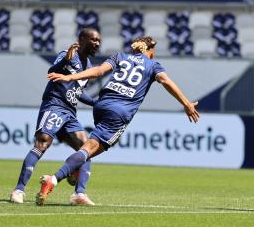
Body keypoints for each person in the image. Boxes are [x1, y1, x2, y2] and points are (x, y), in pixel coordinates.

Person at [35, 36, 200, 206]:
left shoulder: (120, 56)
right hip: (120, 112)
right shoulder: (153, 65)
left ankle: (78, 188)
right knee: (88, 150)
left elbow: (98, 71)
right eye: (154, 51)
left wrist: (71, 77)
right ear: (150, 51)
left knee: (87, 150)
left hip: (101, 105)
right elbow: (165, 80)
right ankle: (54, 180)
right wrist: (186, 104)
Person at [9, 28, 101, 206]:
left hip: (70, 112)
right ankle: (19, 190)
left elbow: (77, 91)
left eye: (99, 41)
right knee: (43, 143)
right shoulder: (68, 55)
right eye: (94, 40)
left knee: (86, 149)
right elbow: (52, 72)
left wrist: (96, 103)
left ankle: (79, 194)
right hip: (54, 105)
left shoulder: (88, 66)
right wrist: (65, 60)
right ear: (82, 39)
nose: (97, 43)